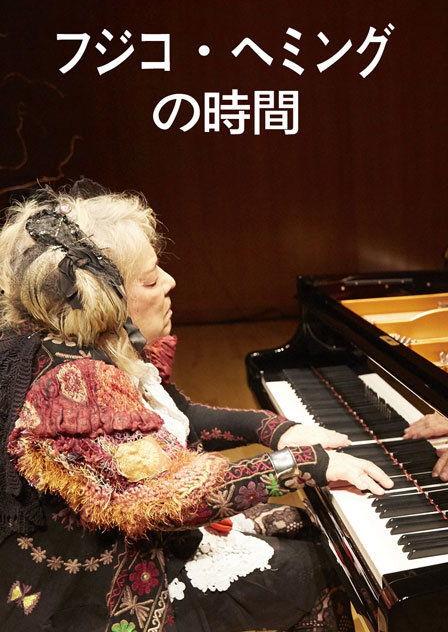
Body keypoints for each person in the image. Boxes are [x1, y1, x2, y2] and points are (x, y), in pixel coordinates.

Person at [0, 179, 393, 632]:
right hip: (101, 592)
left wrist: (277, 431)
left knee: (305, 525)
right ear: (102, 299)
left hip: (135, 535)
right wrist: (305, 465)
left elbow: (181, 418)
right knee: (315, 568)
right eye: (150, 279)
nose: (170, 282)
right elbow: (174, 499)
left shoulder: (86, 348)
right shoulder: (74, 384)